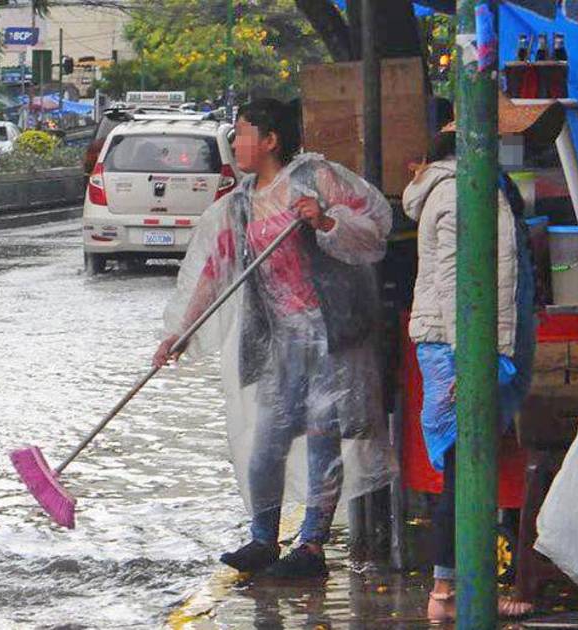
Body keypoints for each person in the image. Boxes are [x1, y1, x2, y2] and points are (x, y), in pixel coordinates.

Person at [154, 98, 395, 579]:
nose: (236, 141)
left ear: (270, 140)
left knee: (324, 439)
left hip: (330, 336)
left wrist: (325, 220)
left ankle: (311, 547)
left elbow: (374, 231)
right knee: (266, 444)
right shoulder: (239, 205)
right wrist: (182, 331)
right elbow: (214, 274)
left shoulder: (314, 179)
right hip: (279, 343)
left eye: (243, 131)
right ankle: (263, 539)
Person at [403, 98, 553, 622]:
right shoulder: (460, 190)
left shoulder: (483, 186)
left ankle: (458, 589)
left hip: (467, 344)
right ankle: (449, 594)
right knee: (464, 470)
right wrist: (470, 362)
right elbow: (453, 283)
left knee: (469, 467)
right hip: (458, 346)